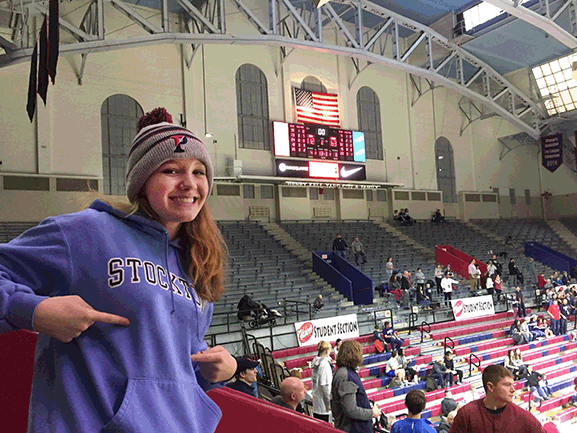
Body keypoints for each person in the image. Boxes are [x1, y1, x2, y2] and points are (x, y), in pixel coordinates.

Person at [0, 108, 237, 433]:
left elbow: (171, 373)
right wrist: (34, 310)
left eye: (199, 172)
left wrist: (217, 372)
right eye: (172, 170)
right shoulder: (86, 233)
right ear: (142, 181)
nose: (189, 183)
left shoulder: (197, 263)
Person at [448, 365, 543, 433]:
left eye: (512, 385)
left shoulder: (522, 416)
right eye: (507, 385)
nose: (513, 390)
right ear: (491, 387)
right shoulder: (467, 413)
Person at [331, 340, 381, 432]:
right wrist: (371, 413)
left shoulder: (344, 372)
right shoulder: (345, 376)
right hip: (354, 429)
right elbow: (350, 410)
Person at [311, 341, 333, 421]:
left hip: (317, 401)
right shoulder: (324, 365)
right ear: (327, 351)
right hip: (324, 406)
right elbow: (325, 385)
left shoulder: (315, 361)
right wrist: (328, 403)